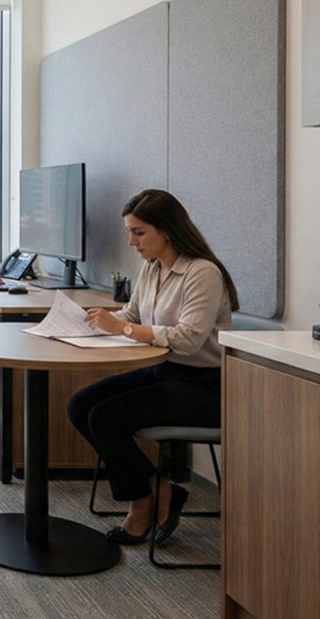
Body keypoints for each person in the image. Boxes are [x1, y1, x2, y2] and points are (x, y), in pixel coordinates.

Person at [67, 189, 236, 545]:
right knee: (80, 405)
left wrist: (123, 329)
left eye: (139, 232)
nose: (131, 241)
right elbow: (132, 314)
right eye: (129, 232)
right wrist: (93, 322)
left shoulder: (202, 273)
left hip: (207, 385)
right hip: (167, 372)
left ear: (167, 230)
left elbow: (188, 339)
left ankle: (142, 504)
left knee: (105, 416)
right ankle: (159, 488)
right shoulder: (152, 268)